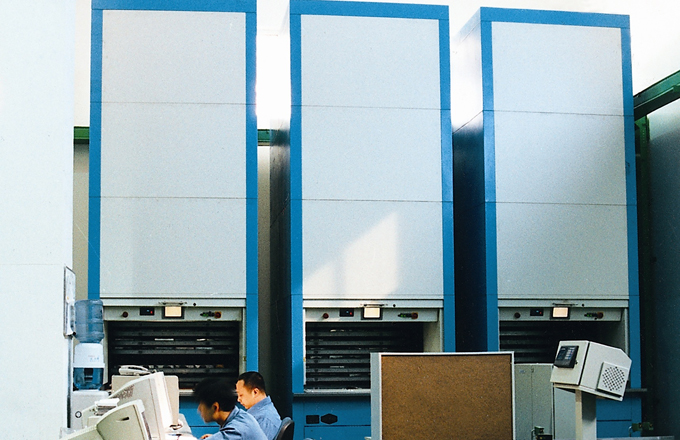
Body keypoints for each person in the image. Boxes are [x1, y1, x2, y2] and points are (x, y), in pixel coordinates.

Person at [194, 377, 268, 440]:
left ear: (215, 407)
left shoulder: (237, 430)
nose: (199, 409)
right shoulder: (242, 416)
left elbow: (234, 434)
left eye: (201, 404)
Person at [235, 371, 282, 440]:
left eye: (241, 395)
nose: (238, 400)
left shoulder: (264, 419)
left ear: (255, 392)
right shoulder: (259, 414)